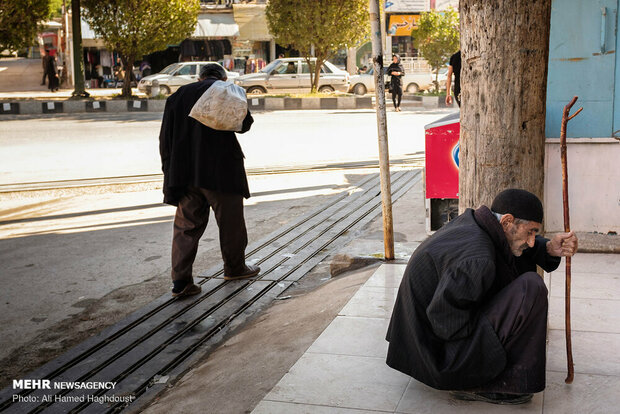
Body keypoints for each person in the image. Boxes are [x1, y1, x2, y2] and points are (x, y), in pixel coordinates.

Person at [386, 189, 578, 405]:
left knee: (521, 273)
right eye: (531, 232)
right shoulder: (478, 258)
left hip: (424, 342)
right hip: (437, 357)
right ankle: (479, 384)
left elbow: (510, 251)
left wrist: (549, 248)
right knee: (530, 289)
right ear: (506, 222)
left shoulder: (476, 223)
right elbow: (445, 322)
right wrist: (497, 322)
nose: (532, 241)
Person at [159, 63, 260, 298]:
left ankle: (181, 282)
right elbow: (245, 125)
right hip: (221, 171)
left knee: (186, 227)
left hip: (185, 173)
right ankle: (235, 268)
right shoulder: (226, 90)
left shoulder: (178, 96)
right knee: (231, 223)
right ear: (222, 77)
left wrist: (169, 174)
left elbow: (165, 139)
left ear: (199, 77)